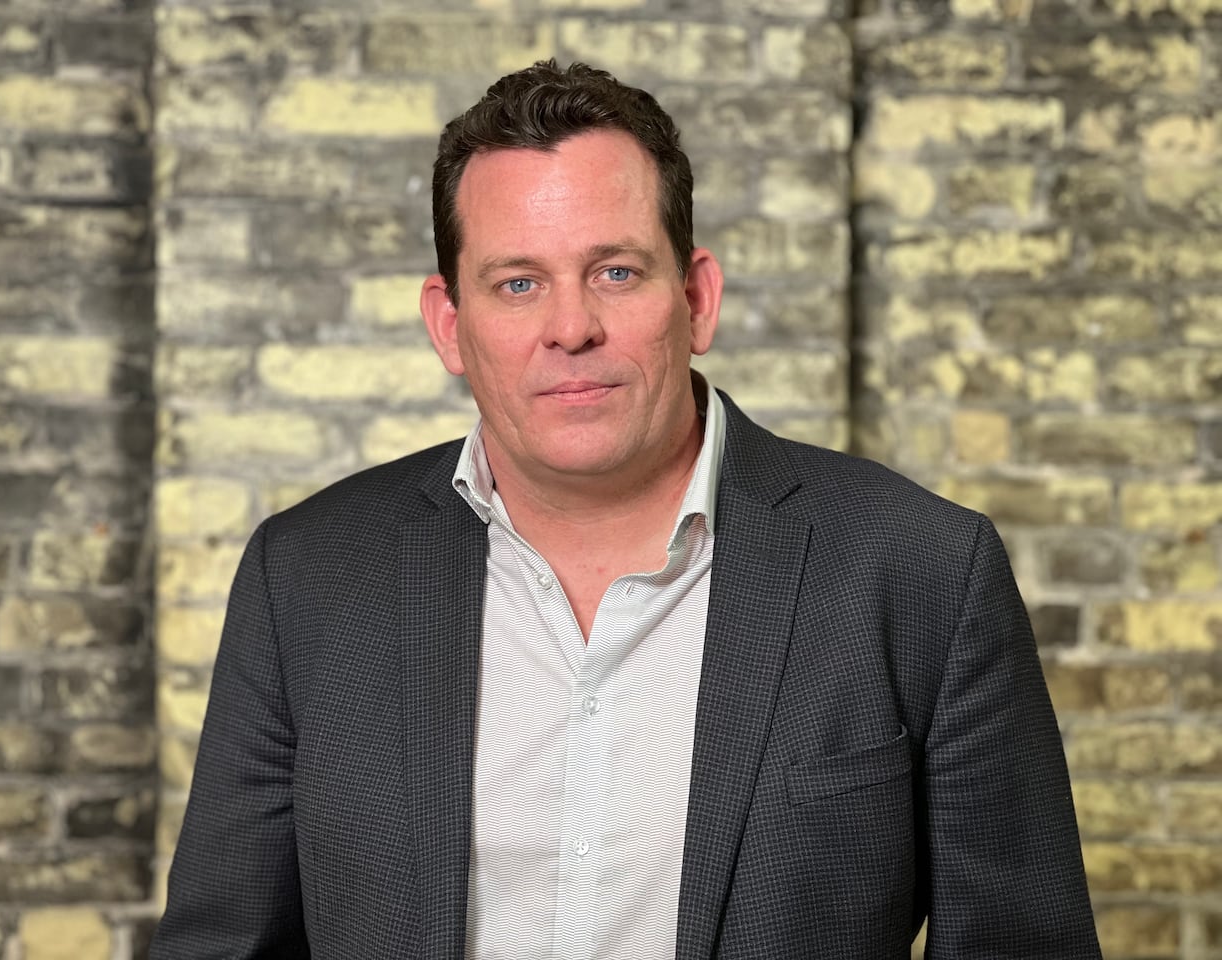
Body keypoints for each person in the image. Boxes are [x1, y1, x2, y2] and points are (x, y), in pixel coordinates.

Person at [151, 60, 1101, 959]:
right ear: (449, 324)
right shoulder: (309, 576)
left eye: (616, 271)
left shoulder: (921, 569)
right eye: (518, 283)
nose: (572, 327)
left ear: (697, 296)